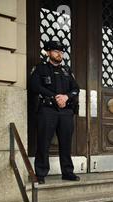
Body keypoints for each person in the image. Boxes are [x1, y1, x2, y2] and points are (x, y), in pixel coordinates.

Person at [29, 40, 80, 184]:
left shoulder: (66, 71)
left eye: (61, 52)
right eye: (56, 51)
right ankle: (40, 173)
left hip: (65, 112)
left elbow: (76, 88)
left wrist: (66, 96)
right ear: (48, 52)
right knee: (43, 141)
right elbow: (34, 86)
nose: (60, 54)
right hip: (47, 110)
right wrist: (53, 97)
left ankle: (67, 172)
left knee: (66, 142)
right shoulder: (40, 69)